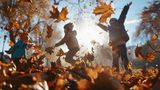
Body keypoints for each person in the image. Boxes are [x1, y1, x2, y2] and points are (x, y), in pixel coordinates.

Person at [97, 2, 132, 72]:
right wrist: (99, 24)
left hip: (121, 44)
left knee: (124, 58)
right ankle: (116, 73)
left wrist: (126, 7)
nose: (112, 22)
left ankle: (129, 71)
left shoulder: (119, 23)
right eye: (111, 21)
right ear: (110, 23)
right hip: (114, 46)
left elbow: (123, 15)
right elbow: (105, 28)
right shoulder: (110, 28)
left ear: (116, 21)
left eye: (113, 20)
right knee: (115, 61)